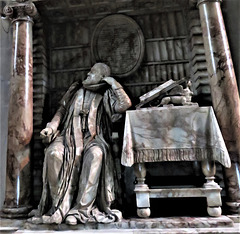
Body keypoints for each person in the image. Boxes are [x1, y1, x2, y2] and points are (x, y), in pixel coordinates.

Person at [29, 63, 132, 225]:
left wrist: (113, 83)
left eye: (93, 72)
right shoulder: (75, 91)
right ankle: (58, 207)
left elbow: (124, 105)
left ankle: (80, 211)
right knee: (53, 154)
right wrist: (51, 127)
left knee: (95, 155)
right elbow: (60, 112)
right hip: (67, 136)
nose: (88, 74)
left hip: (93, 138)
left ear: (102, 77)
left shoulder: (106, 94)